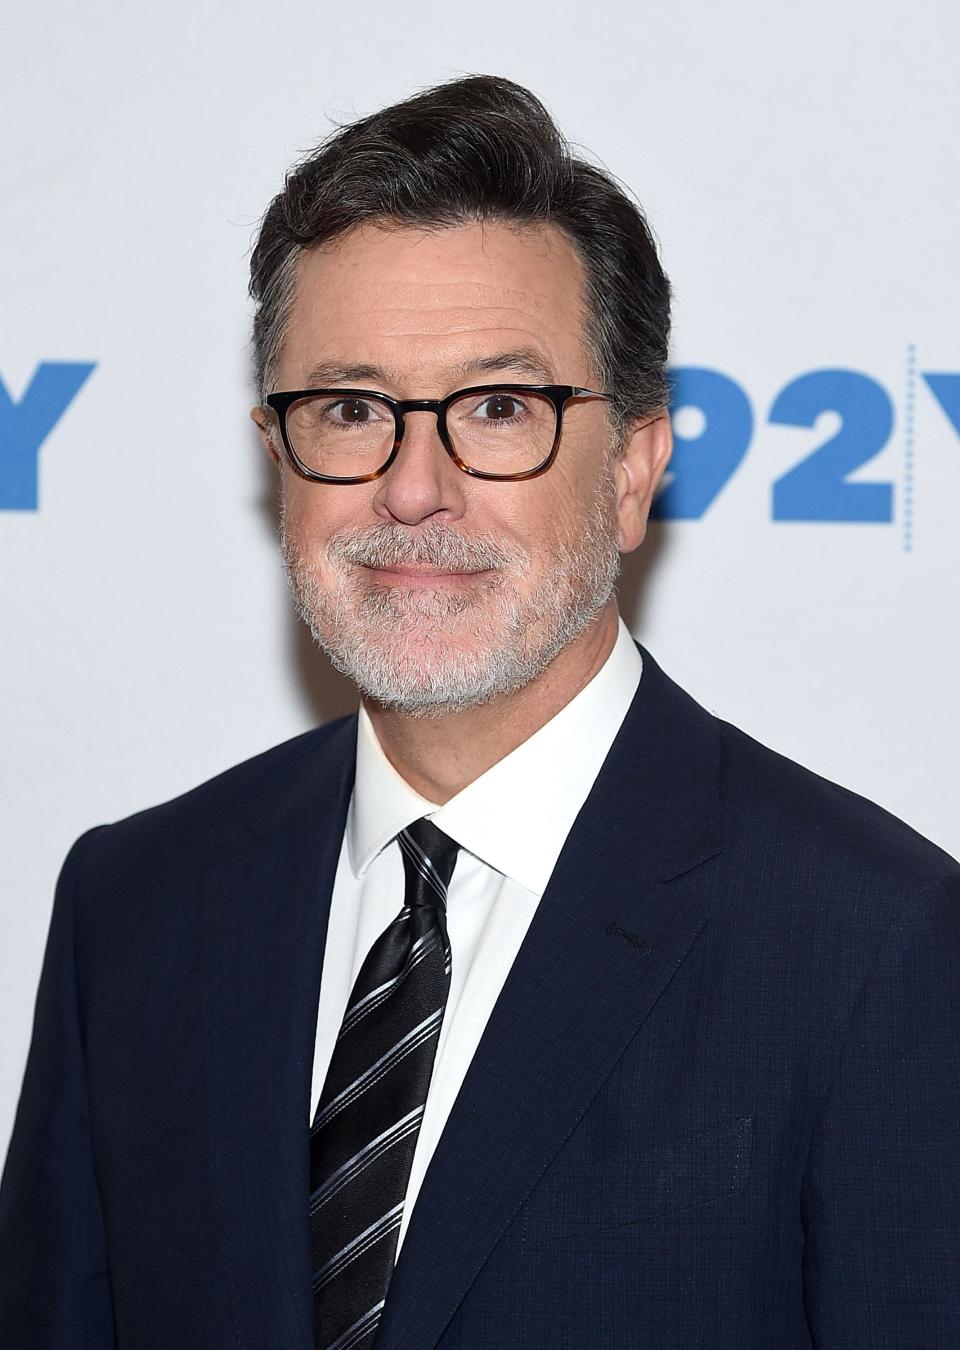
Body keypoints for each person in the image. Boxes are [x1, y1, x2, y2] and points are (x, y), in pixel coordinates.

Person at [1, 74, 958, 1350]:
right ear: (277, 458)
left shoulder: (877, 947)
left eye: (499, 409)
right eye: (349, 410)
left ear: (632, 469)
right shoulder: (134, 908)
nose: (412, 487)